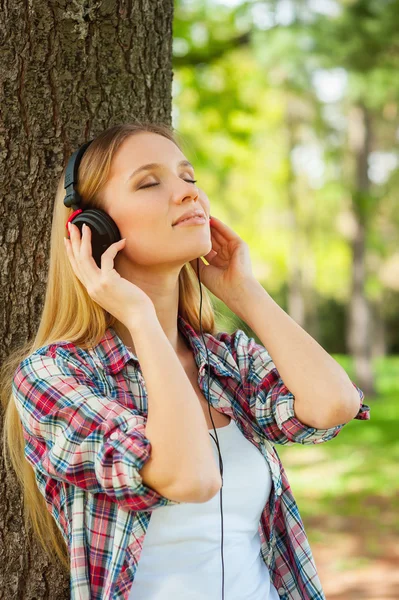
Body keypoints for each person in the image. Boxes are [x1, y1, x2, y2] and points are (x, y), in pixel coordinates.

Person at [2, 121, 370, 600]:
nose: (186, 194)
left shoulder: (225, 359)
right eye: (150, 182)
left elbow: (332, 406)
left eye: (189, 178)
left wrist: (245, 291)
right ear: (93, 229)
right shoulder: (54, 376)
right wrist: (138, 315)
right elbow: (189, 477)